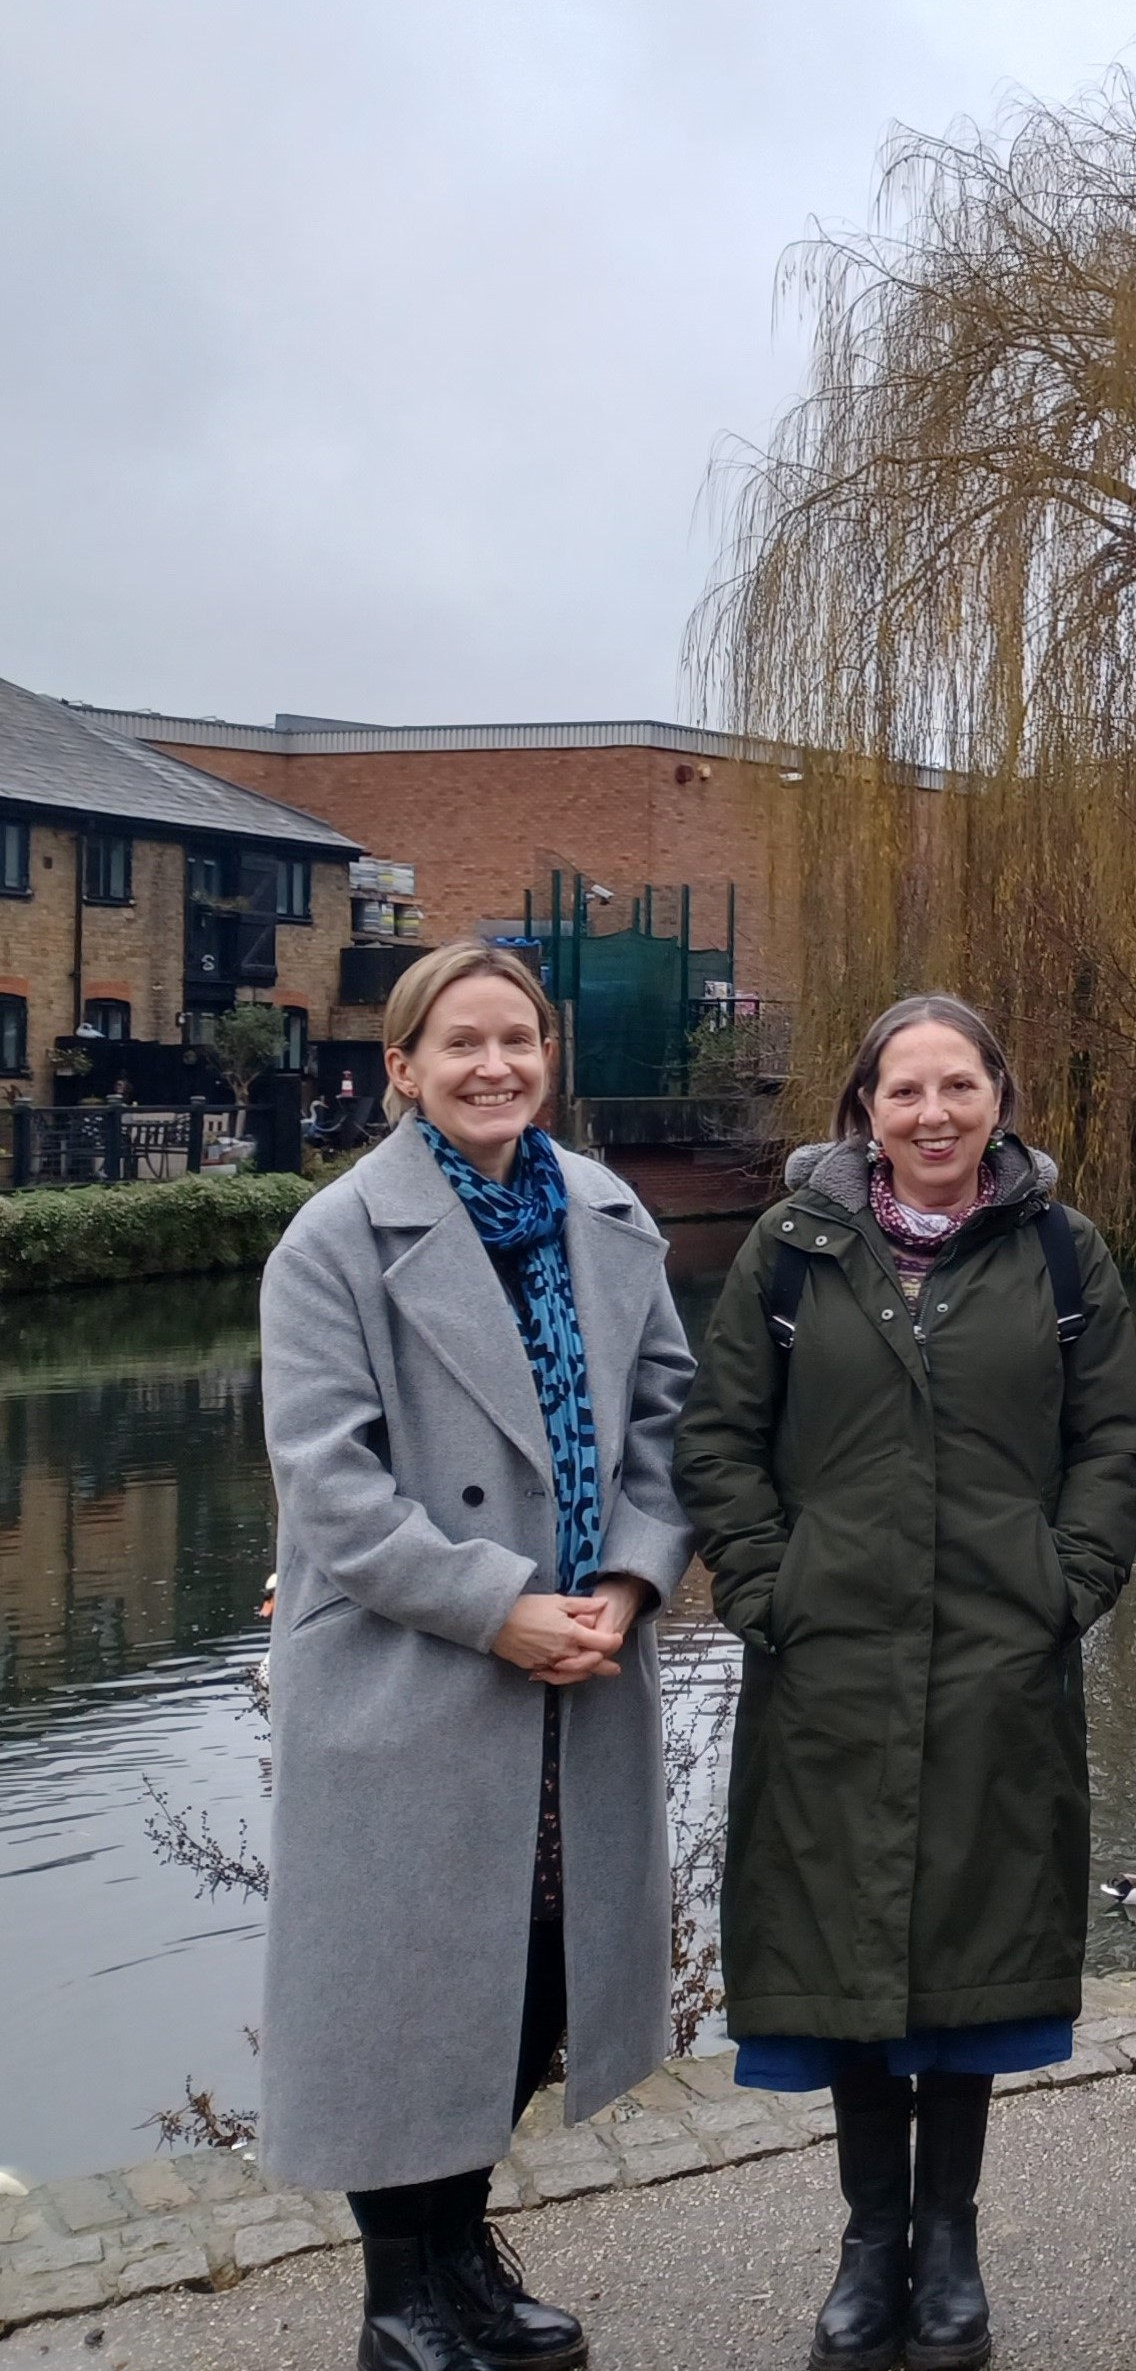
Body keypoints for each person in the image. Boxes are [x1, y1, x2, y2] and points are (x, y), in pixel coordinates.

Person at [677, 996, 1136, 2371]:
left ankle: (948, 2241)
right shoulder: (792, 1249)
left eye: (958, 1087)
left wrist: (1067, 1586)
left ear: (999, 1097)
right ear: (865, 1109)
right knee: (843, 1955)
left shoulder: (1063, 1254)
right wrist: (768, 1587)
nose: (933, 1114)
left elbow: (1114, 1438)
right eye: (905, 1092)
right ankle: (862, 2239)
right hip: (830, 1663)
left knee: (963, 1954)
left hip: (1000, 1660)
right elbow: (719, 1440)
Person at [260, 940, 698, 2371]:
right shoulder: (333, 1240)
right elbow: (331, 1489)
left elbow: (663, 1427)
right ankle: (402, 2302)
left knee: (531, 1980)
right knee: (411, 1990)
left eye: (518, 1040)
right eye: (460, 1045)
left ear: (547, 1059)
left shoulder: (608, 1214)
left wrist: (629, 1585)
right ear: (401, 1069)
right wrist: (497, 1605)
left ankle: (461, 2256)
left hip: (583, 1672)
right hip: (418, 1672)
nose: (494, 1066)